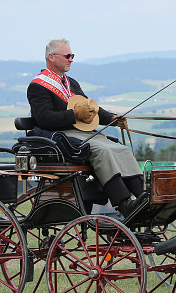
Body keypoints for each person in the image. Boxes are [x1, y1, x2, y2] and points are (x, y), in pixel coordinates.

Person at [27, 39, 147, 219]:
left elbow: (91, 109)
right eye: (67, 56)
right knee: (103, 150)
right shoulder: (37, 85)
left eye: (72, 56)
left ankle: (144, 197)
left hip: (82, 134)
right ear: (51, 57)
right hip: (59, 135)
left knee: (121, 149)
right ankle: (124, 204)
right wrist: (74, 115)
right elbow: (44, 119)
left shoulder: (71, 83)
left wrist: (112, 118)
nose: (71, 60)